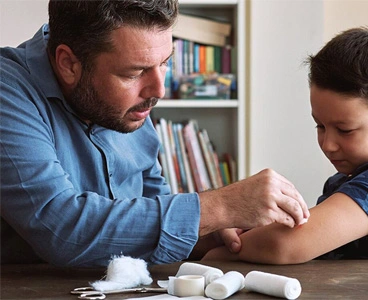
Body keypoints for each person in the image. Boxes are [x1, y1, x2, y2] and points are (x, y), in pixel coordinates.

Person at [0, 0, 309, 267]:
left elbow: (151, 205)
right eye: (133, 73)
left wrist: (212, 230)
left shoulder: (130, 103)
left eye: (165, 63)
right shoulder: (8, 90)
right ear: (69, 64)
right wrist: (220, 207)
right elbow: (60, 226)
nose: (158, 90)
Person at [202, 27, 368, 264]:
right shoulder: (354, 178)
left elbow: (285, 246)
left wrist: (213, 257)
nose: (328, 144)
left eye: (345, 130)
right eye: (319, 126)